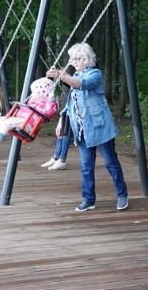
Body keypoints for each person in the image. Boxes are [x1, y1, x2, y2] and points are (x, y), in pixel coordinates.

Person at [47, 43, 129, 211]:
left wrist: (62, 76)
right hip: (82, 129)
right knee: (86, 166)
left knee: (111, 162)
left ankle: (122, 195)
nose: (73, 62)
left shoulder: (95, 74)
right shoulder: (75, 75)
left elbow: (80, 84)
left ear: (85, 59)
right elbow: (70, 104)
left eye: (76, 58)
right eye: (72, 59)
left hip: (101, 127)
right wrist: (62, 121)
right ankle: (88, 199)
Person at [0, 77, 59, 151]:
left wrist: (51, 99)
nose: (33, 94)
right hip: (20, 120)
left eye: (36, 92)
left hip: (28, 125)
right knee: (0, 119)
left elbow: (50, 112)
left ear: (44, 93)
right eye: (33, 91)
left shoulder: (47, 103)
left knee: (8, 122)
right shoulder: (32, 99)